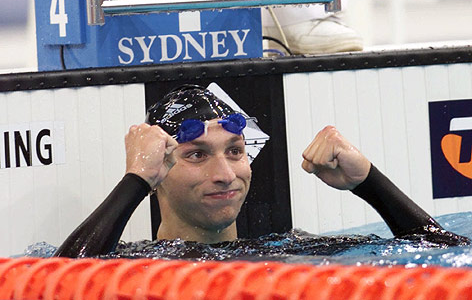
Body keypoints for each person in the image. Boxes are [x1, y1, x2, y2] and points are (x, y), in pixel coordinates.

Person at [54, 84, 469, 258]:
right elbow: (58, 284)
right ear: (159, 170)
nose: (225, 173)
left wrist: (369, 184)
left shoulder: (288, 251)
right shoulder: (130, 264)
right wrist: (135, 180)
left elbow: (446, 252)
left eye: (234, 151)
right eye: (197, 155)